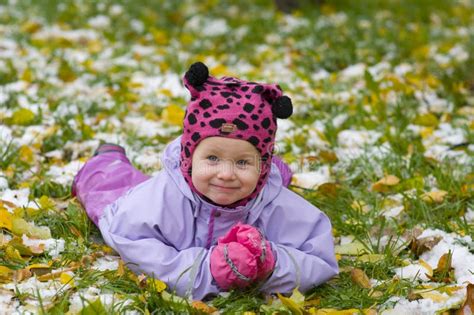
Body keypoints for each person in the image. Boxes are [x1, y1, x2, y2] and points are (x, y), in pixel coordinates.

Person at [72, 62, 338, 300]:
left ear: (264, 166)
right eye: (212, 158)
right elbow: (132, 240)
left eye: (243, 162)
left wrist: (269, 264)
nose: (225, 173)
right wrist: (205, 269)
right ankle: (107, 158)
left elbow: (318, 258)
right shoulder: (160, 199)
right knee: (111, 185)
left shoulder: (275, 203)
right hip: (142, 192)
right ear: (188, 156)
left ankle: (266, 167)